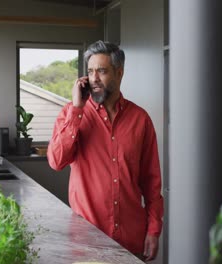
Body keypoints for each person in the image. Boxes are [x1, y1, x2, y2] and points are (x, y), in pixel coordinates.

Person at [47, 40, 164, 261]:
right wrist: (77, 110)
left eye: (101, 71)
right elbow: (56, 161)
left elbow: (151, 182)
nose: (94, 79)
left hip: (131, 241)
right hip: (87, 245)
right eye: (90, 72)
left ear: (119, 73)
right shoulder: (71, 114)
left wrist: (153, 230)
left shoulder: (140, 119)